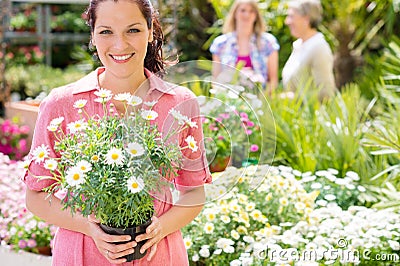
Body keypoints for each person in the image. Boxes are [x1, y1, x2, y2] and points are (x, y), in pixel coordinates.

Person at [23, 0, 212, 265]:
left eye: (132, 30)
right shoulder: (61, 103)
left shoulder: (180, 103)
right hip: (83, 254)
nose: (120, 44)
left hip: (159, 256)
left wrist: (161, 228)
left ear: (150, 31)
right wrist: (89, 227)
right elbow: (36, 196)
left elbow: (194, 193)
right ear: (92, 35)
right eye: (106, 31)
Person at [209, 0, 280, 93]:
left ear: (256, 16)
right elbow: (216, 80)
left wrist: (262, 99)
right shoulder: (221, 44)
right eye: (243, 10)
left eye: (251, 11)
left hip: (260, 98)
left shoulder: (268, 42)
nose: (247, 14)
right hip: (230, 100)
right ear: (235, 14)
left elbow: (273, 81)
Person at [282, 0, 337, 101]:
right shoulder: (299, 44)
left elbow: (326, 94)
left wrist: (289, 98)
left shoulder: (319, 47)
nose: (287, 21)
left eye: (291, 16)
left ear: (306, 19)